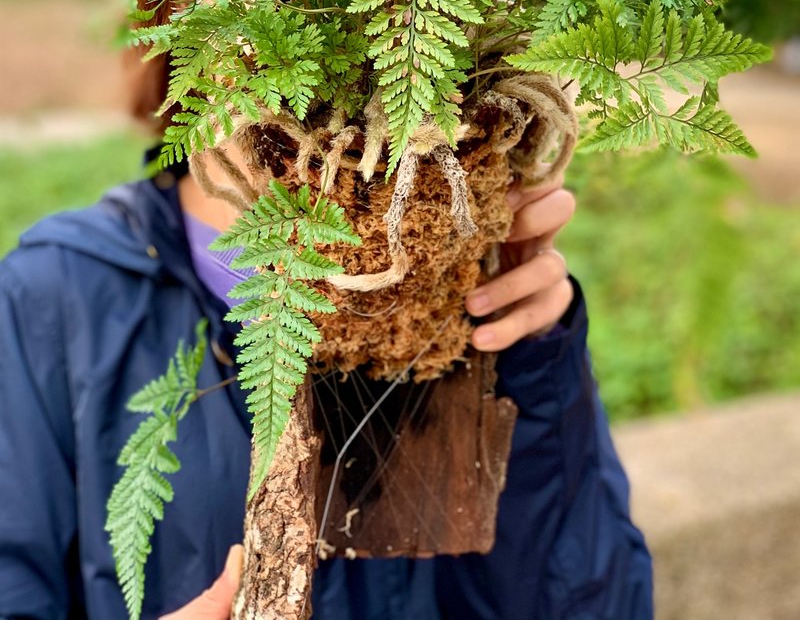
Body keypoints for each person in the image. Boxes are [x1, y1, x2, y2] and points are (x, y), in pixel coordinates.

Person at [0, 107, 653, 620]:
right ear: (179, 2)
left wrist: (535, 367)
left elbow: (597, 600)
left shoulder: (485, 296)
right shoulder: (52, 299)